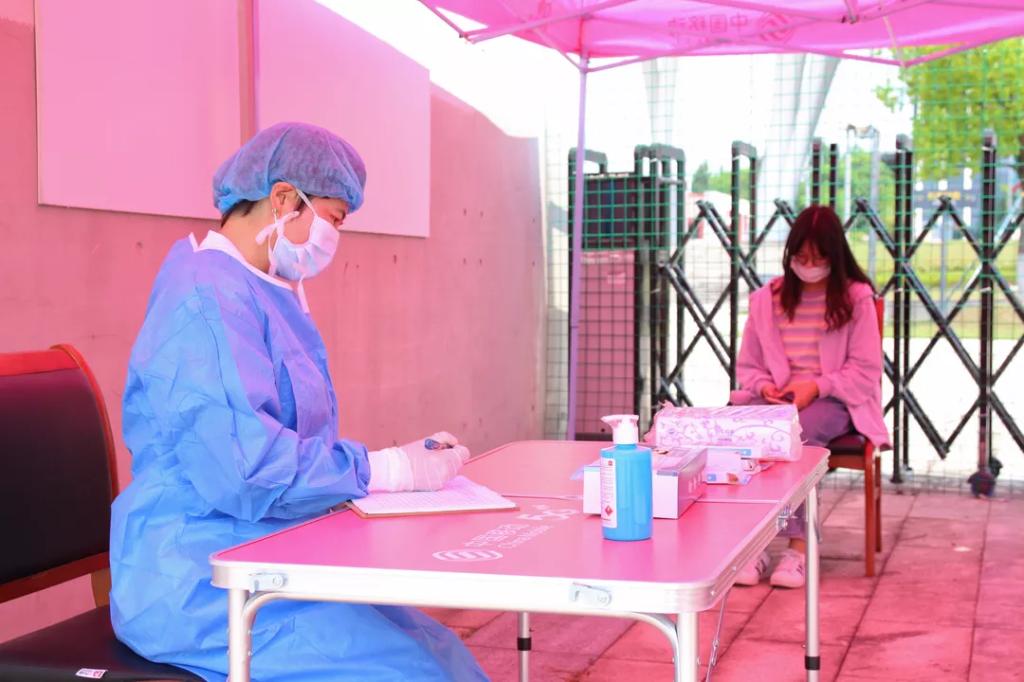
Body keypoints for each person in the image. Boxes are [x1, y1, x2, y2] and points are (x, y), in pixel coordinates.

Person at [109, 122, 487, 681]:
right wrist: (386, 469)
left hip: (264, 550)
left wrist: (385, 475)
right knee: (414, 673)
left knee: (441, 654)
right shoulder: (206, 298)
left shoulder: (261, 290)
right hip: (195, 579)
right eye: (334, 218)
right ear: (284, 199)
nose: (334, 237)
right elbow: (244, 470)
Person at [730, 205, 890, 588]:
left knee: (797, 437)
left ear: (835, 257)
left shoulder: (856, 298)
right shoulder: (767, 300)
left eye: (818, 259)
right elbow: (748, 367)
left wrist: (816, 387)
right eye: (801, 258)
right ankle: (753, 544)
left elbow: (865, 372)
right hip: (776, 400)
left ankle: (799, 549)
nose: (809, 266)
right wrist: (765, 387)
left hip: (834, 399)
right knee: (739, 435)